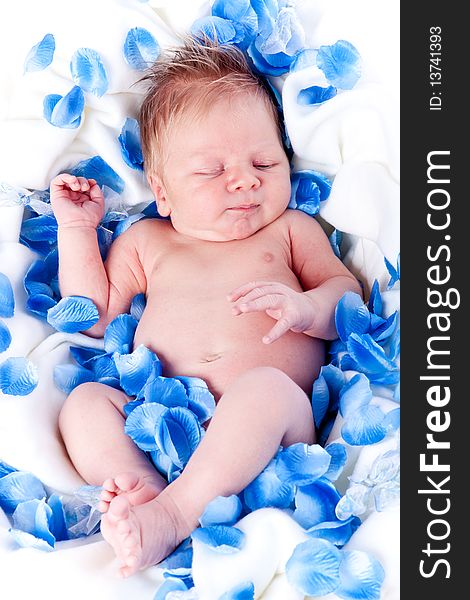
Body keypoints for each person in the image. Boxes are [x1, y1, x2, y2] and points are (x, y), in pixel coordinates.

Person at [51, 38, 361, 578]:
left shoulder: (290, 231)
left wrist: (308, 308)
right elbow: (94, 315)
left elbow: (345, 294)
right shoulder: (148, 241)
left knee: (261, 390)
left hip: (271, 424)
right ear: (163, 191)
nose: (244, 179)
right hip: (164, 423)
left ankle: (174, 513)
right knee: (84, 403)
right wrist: (77, 230)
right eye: (210, 172)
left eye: (265, 161)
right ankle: (141, 486)